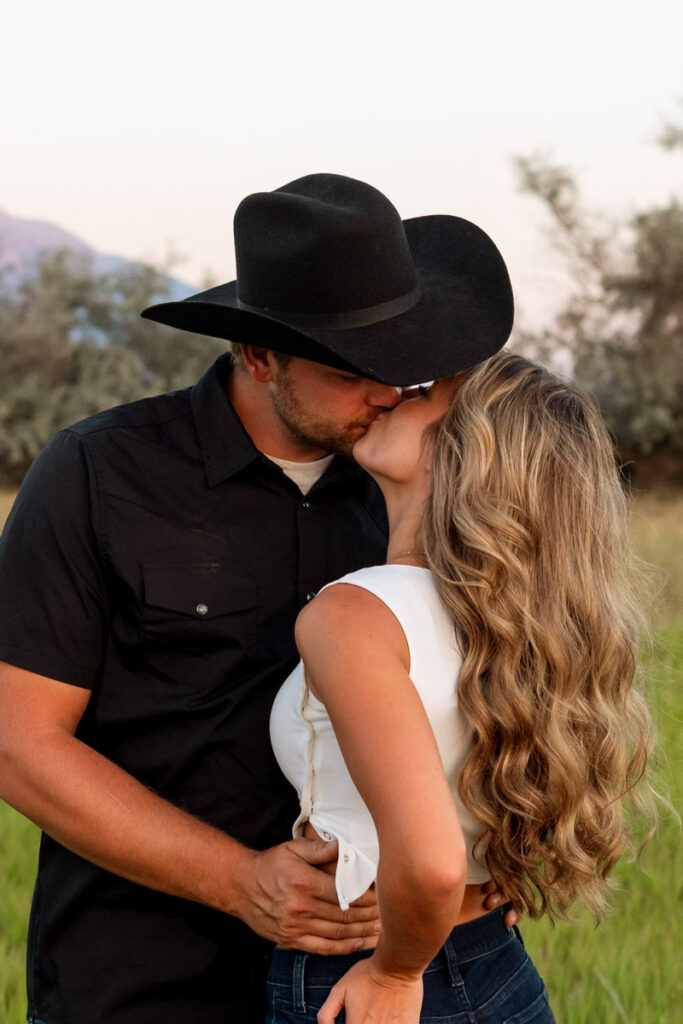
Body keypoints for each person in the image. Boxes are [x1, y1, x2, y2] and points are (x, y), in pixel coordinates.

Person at [0, 174, 517, 1024]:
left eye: (401, 357)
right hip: (146, 979)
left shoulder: (428, 483)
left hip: (371, 983)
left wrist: (500, 857)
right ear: (259, 355)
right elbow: (21, 744)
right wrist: (240, 882)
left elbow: (518, 680)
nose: (388, 390)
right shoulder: (98, 474)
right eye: (353, 368)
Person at [268, 352, 657, 1024]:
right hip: (491, 963)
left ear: (461, 451)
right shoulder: (507, 618)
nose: (392, 393)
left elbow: (432, 864)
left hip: (379, 969)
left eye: (422, 393)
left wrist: (393, 974)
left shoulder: (354, 615)